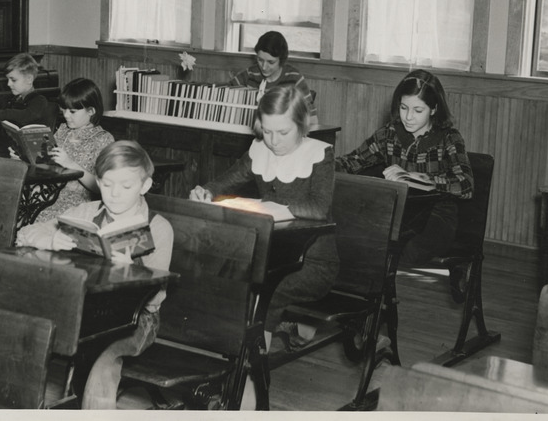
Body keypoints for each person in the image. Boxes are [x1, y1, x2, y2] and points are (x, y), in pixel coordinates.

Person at [16, 140, 174, 410]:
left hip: (138, 319)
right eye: (106, 184)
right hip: (87, 309)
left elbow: (157, 297)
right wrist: (52, 239)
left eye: (126, 186)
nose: (114, 194)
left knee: (102, 355)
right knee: (25, 332)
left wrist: (132, 271)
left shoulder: (159, 228)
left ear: (145, 186)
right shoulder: (87, 213)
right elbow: (25, 233)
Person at [190, 84, 338, 350]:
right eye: (267, 131)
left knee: (266, 290)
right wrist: (207, 190)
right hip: (269, 256)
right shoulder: (260, 149)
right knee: (226, 278)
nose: (274, 140)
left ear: (301, 124)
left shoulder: (319, 154)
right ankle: (231, 355)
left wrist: (273, 206)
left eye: (283, 132)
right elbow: (230, 179)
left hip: (313, 263)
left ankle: (252, 373)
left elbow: (319, 208)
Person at [335, 69, 473, 294]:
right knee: (358, 243)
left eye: (418, 110)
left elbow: (466, 185)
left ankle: (450, 269)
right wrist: (318, 164)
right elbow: (352, 161)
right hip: (399, 213)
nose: (408, 117)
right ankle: (367, 308)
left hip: (436, 215)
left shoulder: (448, 137)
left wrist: (426, 179)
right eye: (403, 108)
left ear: (434, 109)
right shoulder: (389, 134)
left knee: (401, 252)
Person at [34, 78, 115, 223]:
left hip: (76, 204)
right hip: (47, 194)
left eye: (72, 111)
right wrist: (27, 155)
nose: (66, 115)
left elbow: (100, 187)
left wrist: (71, 164)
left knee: (35, 218)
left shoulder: (103, 139)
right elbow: (48, 164)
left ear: (91, 111)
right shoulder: (64, 130)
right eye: (64, 109)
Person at [230, 30, 318, 126]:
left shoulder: (294, 79)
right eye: (260, 60)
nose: (264, 67)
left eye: (271, 62)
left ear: (282, 60)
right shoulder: (249, 74)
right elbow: (226, 96)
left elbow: (312, 120)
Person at [0, 53, 53, 155]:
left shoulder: (39, 100)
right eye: (8, 79)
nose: (8, 84)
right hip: (5, 145)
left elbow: (26, 114)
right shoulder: (10, 98)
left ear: (29, 79)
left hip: (27, 152)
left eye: (13, 80)